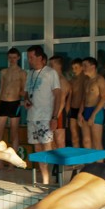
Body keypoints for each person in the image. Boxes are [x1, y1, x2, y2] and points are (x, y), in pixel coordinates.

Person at [24, 45, 61, 184]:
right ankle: (44, 178)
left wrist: (55, 117)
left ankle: (50, 178)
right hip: (32, 116)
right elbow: (26, 92)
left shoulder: (51, 73)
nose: (29, 60)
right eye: (28, 57)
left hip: (45, 116)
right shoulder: (30, 73)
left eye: (32, 57)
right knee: (37, 148)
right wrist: (26, 100)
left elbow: (58, 95)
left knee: (47, 147)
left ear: (40, 57)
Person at [0, 48, 26, 171]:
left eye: (14, 57)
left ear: (18, 58)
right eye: (10, 57)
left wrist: (25, 99)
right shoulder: (3, 72)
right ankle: (0, 162)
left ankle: (12, 163)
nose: (12, 60)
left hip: (15, 103)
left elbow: (24, 90)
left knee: (14, 134)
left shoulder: (22, 73)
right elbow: (1, 89)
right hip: (4, 104)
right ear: (8, 58)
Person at [78, 57, 105, 151]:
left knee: (96, 143)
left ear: (93, 66)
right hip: (86, 110)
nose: (83, 68)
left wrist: (93, 115)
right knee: (86, 141)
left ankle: (99, 165)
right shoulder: (86, 81)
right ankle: (89, 165)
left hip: (96, 111)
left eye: (85, 66)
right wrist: (80, 113)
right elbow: (84, 98)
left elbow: (104, 98)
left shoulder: (100, 79)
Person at [48, 55, 71, 149]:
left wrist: (55, 118)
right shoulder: (55, 80)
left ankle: (62, 163)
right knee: (52, 140)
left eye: (51, 65)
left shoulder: (62, 81)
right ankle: (55, 163)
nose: (49, 67)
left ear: (58, 65)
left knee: (59, 140)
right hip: (54, 113)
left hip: (59, 114)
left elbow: (62, 102)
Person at [68, 58, 86, 148]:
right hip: (73, 109)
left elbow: (85, 96)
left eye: (76, 68)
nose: (74, 70)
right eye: (73, 68)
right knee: (74, 136)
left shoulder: (85, 79)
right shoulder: (72, 80)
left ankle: (86, 160)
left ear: (82, 67)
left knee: (85, 137)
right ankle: (77, 161)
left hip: (82, 109)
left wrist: (81, 112)